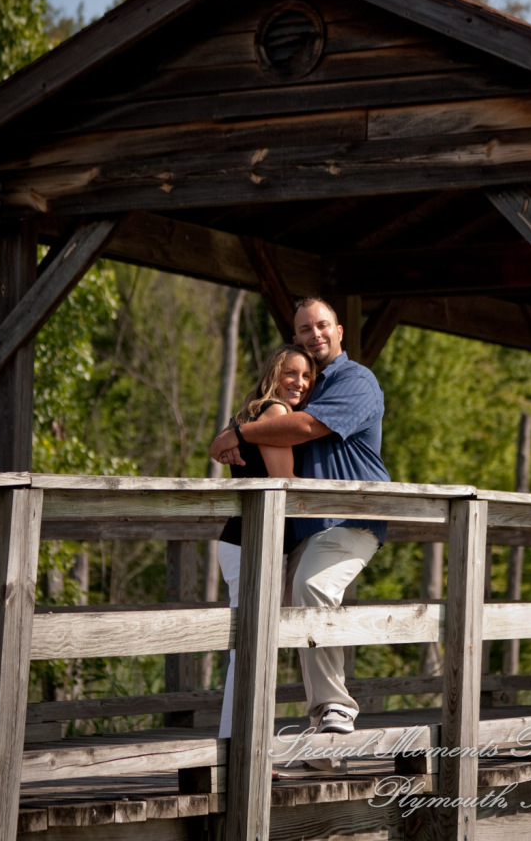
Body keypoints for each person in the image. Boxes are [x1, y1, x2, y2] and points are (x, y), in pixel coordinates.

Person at [210, 297, 389, 741]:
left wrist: (234, 435)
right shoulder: (291, 400)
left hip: (350, 518)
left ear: (340, 330)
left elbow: (307, 429)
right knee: (263, 632)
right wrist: (229, 437)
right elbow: (280, 439)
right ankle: (295, 742)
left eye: (323, 325)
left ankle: (334, 708)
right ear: (295, 338)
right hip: (297, 531)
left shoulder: (355, 380)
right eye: (306, 329)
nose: (316, 335)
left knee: (309, 588)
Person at [217, 343, 316, 738]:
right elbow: (284, 483)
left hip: (243, 541)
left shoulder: (247, 415)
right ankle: (243, 746)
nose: (300, 382)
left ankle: (236, 741)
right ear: (274, 373)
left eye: (307, 376)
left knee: (247, 648)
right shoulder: (275, 413)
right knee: (251, 650)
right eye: (291, 373)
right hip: (254, 543)